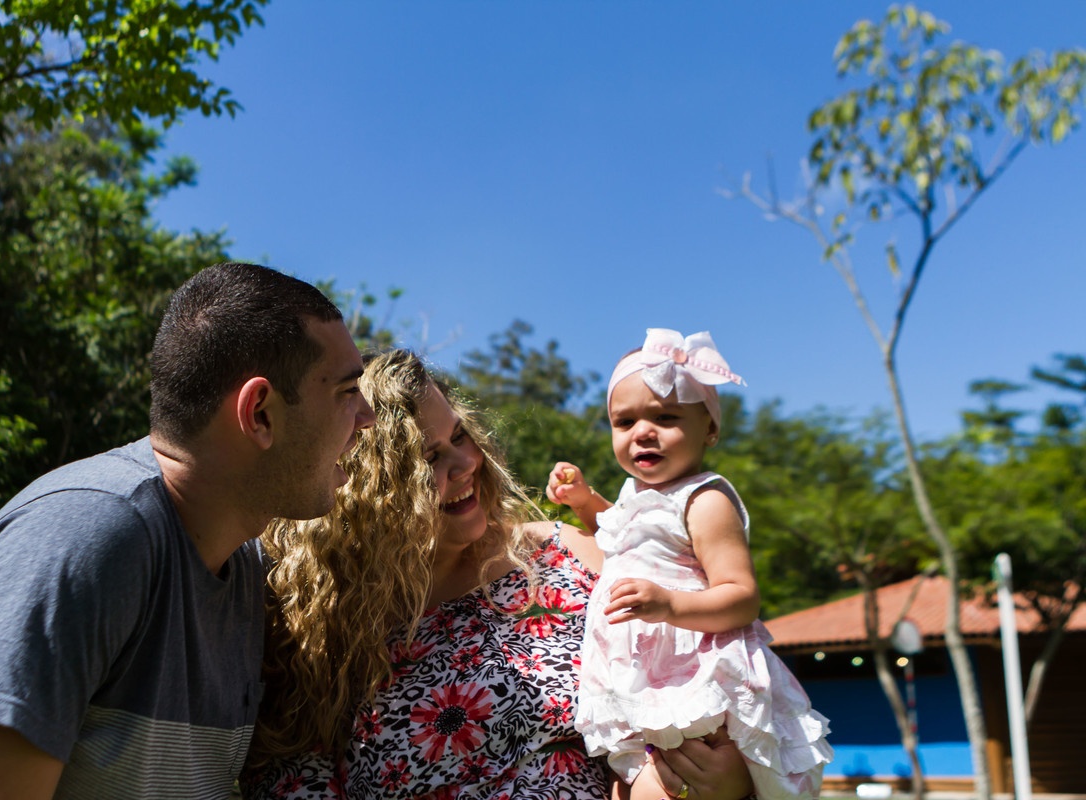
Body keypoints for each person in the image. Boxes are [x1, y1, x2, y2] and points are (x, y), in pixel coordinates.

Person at [0, 262, 376, 799]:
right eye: (347, 391)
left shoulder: (239, 566)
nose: (368, 417)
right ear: (259, 413)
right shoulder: (88, 536)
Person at [243, 348, 754, 800]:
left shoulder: (572, 557)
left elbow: (717, 677)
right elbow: (288, 775)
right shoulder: (322, 626)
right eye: (429, 458)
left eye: (459, 436)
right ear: (364, 489)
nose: (466, 463)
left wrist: (726, 781)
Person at [546, 328, 833, 800]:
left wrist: (671, 605)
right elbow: (619, 533)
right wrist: (584, 502)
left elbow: (741, 597)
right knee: (638, 783)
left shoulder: (704, 500)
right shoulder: (633, 496)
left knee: (676, 779)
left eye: (666, 417)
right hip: (636, 670)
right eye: (624, 422)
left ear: (710, 430)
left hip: (690, 670)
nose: (643, 432)